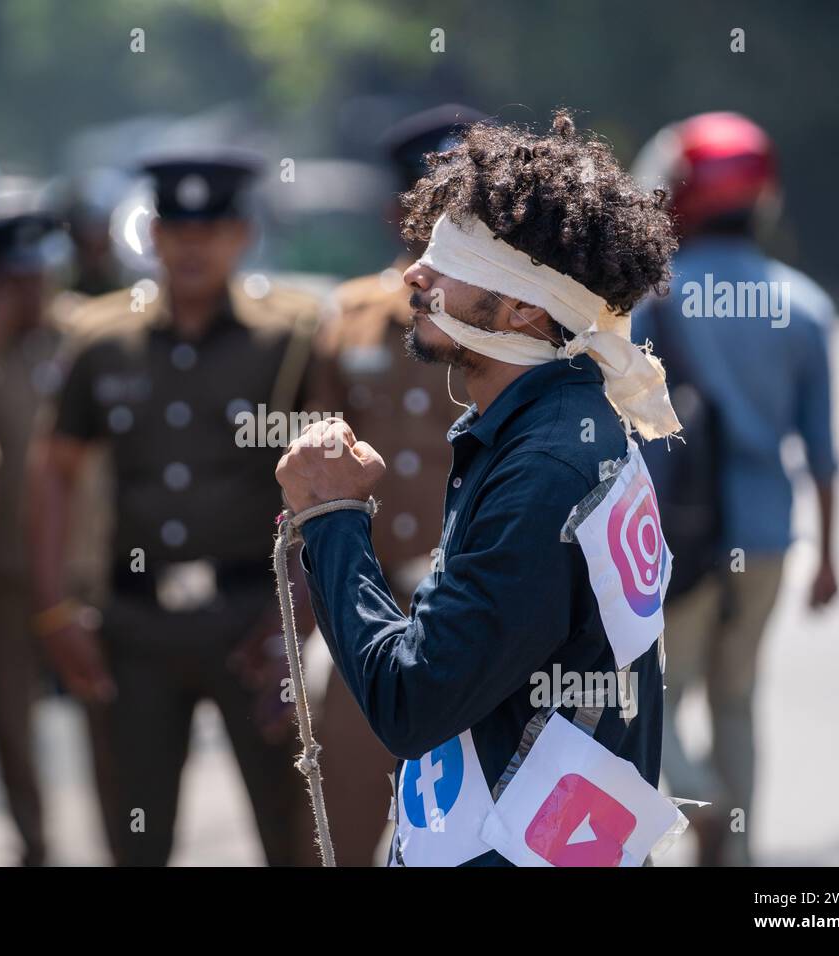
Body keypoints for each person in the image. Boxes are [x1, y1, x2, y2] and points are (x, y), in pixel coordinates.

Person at [276, 111, 681, 867]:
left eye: (454, 258)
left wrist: (332, 519)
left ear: (528, 305)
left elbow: (411, 705)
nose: (414, 275)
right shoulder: (557, 423)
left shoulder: (546, 466)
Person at [27, 149, 320, 866]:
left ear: (242, 235)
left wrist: (300, 616)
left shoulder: (289, 340)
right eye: (178, 227)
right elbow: (52, 470)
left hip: (253, 623)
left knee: (294, 837)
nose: (194, 245)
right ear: (151, 234)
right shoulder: (102, 343)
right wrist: (55, 609)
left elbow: (326, 489)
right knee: (136, 838)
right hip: (135, 630)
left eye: (213, 227)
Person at [631, 111, 839, 865]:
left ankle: (702, 802)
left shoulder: (655, 297)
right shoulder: (806, 304)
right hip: (771, 538)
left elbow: (630, 426)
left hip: (680, 539)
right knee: (739, 701)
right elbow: (822, 453)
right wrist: (829, 557)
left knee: (653, 700)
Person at [307, 103, 488, 865]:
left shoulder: (513, 320)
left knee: (486, 833)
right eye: (428, 203)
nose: (445, 220)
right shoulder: (348, 319)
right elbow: (310, 483)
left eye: (463, 203)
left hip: (484, 618)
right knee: (343, 827)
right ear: (396, 211)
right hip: (375, 618)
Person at [0, 183, 79, 866]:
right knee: (8, 717)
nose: (29, 285)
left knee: (101, 708)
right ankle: (35, 845)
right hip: (3, 566)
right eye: (13, 274)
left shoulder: (80, 334)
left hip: (82, 565)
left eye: (35, 272)